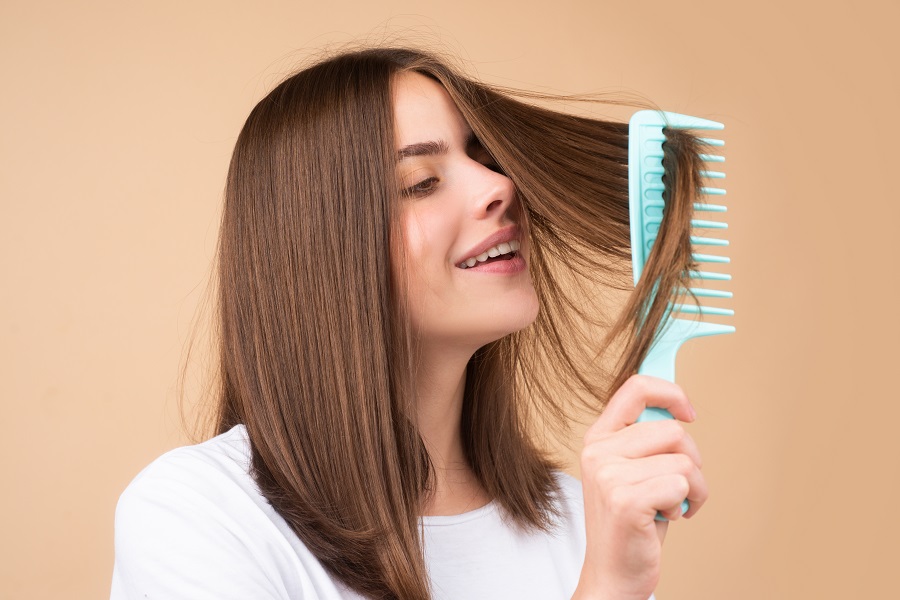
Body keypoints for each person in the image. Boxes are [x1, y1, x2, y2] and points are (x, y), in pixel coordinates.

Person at [111, 47, 708, 600]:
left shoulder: (584, 522)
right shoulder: (200, 515)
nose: (500, 186)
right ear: (320, 252)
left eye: (484, 157)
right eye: (421, 183)